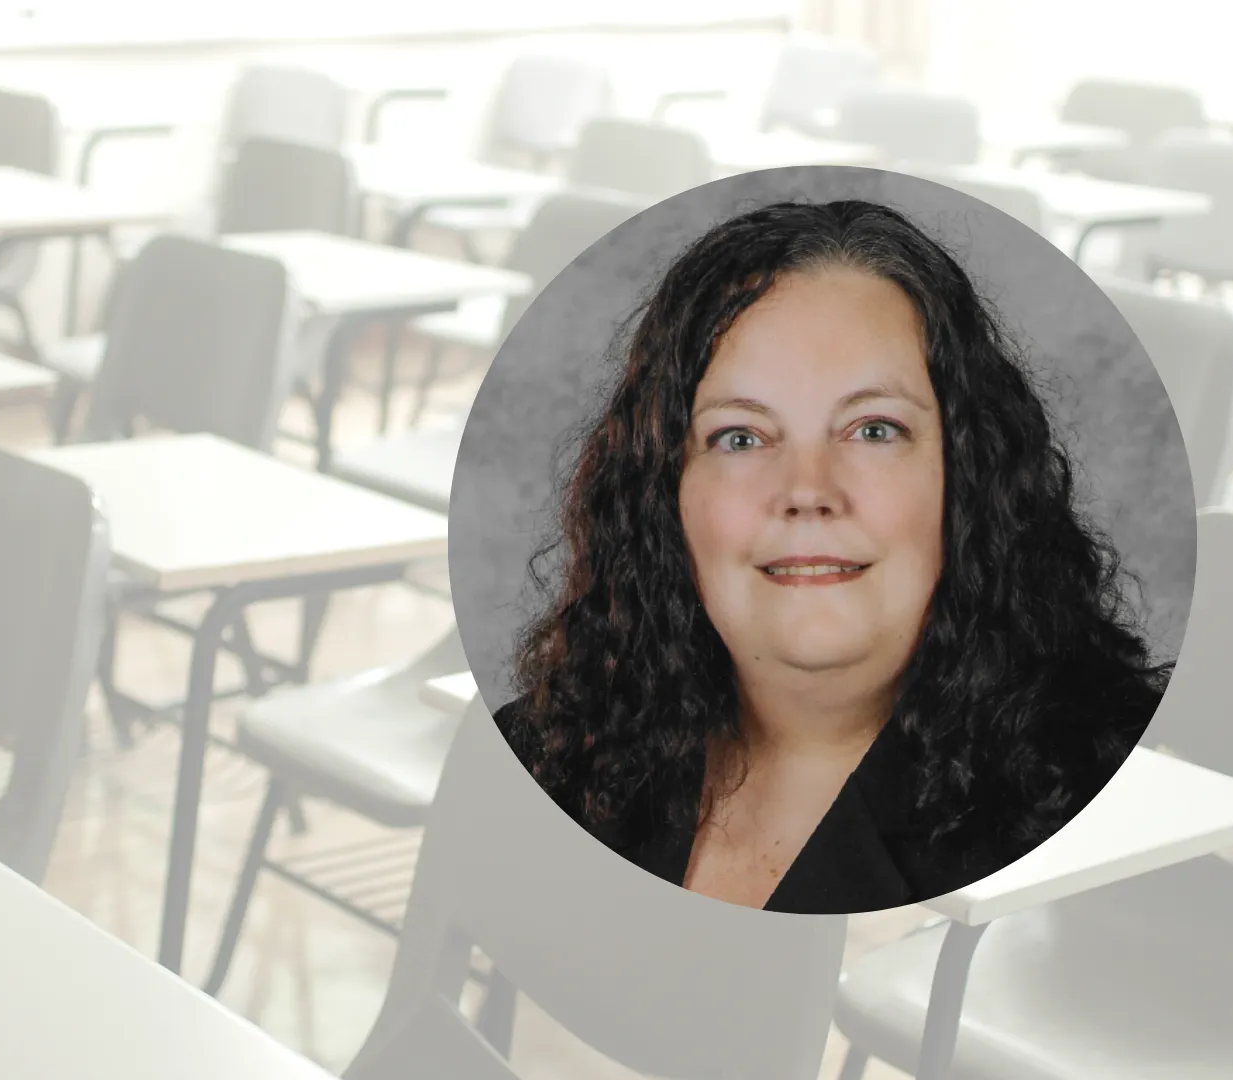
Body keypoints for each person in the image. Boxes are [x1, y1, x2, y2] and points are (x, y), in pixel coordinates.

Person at [493, 199, 1171, 914]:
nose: (807, 491)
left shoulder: (1120, 823)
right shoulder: (543, 754)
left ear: (970, 474)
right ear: (664, 493)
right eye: (741, 437)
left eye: (873, 429)